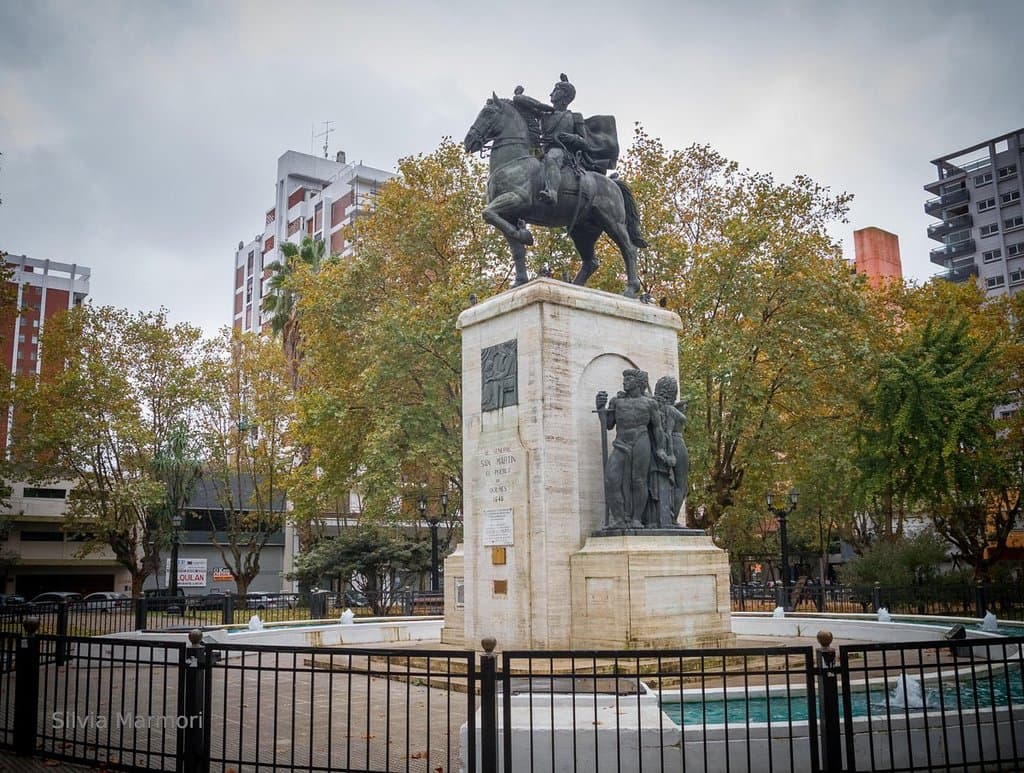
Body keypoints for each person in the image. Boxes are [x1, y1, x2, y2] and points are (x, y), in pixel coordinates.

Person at [597, 369, 670, 528]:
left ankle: (637, 518)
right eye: (624, 379)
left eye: (628, 379)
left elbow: (657, 428)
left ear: (638, 382)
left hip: (641, 440)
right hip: (621, 441)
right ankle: (619, 519)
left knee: (639, 481)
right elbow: (608, 425)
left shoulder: (650, 403)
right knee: (611, 479)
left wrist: (660, 449)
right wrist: (601, 408)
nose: (624, 382)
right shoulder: (617, 401)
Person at [513, 74, 590, 207]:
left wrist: (571, 137)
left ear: (565, 95)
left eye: (555, 91)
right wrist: (519, 96)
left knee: (552, 157)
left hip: (563, 152)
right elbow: (521, 101)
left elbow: (585, 143)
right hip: (542, 151)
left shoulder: (575, 117)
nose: (551, 94)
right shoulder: (545, 114)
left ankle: (552, 192)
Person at [653, 376, 689, 527]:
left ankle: (671, 516)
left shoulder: (666, 408)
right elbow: (667, 432)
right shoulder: (671, 411)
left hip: (675, 443)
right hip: (677, 444)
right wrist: (671, 454)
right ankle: (672, 518)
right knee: (681, 485)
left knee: (680, 485)